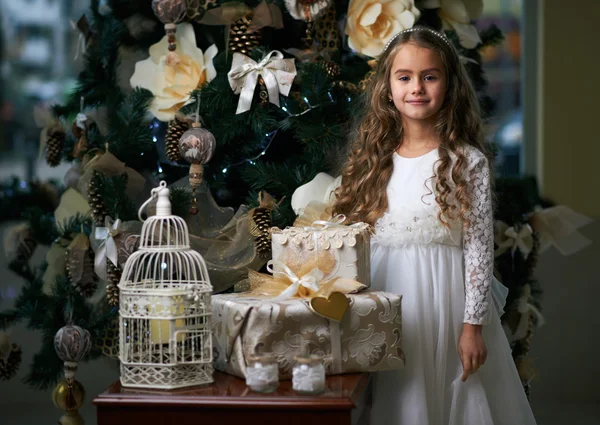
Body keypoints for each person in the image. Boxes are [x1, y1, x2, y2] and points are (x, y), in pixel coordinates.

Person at [332, 26, 537, 425]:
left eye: (430, 76)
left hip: (444, 304)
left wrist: (472, 327)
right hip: (384, 304)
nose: (417, 88)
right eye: (404, 77)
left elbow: (478, 249)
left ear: (449, 85)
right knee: (392, 398)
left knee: (441, 397)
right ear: (387, 87)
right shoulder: (373, 161)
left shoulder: (465, 162)